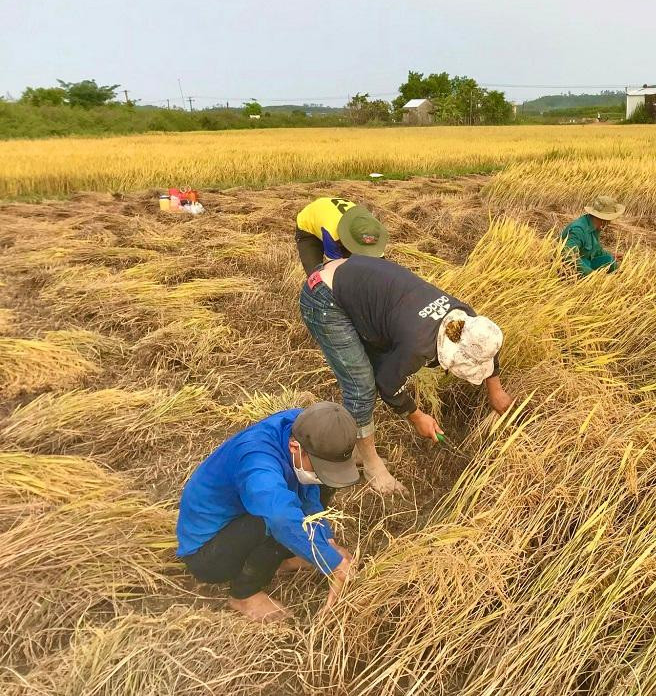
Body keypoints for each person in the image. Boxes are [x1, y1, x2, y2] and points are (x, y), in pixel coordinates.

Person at [299, 256, 513, 496]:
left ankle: (359, 442)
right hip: (325, 295)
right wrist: (417, 416)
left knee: (370, 363)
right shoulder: (418, 346)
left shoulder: (465, 318)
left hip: (353, 275)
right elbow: (388, 385)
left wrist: (496, 389)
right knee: (361, 386)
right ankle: (371, 464)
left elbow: (487, 346)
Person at [176, 402, 359, 623]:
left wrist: (324, 540)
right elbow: (280, 518)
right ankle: (244, 594)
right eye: (318, 466)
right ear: (294, 447)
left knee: (320, 483)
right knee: (278, 522)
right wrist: (332, 562)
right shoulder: (257, 463)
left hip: (246, 516)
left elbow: (309, 493)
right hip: (209, 553)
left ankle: (285, 558)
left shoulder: (304, 427)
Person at [295, 196, 389, 273]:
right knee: (316, 275)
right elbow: (335, 268)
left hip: (331, 214)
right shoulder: (332, 234)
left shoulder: (371, 227)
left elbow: (380, 260)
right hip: (308, 227)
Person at [560, 195, 625, 276]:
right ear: (604, 220)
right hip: (572, 269)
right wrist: (592, 275)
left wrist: (610, 255)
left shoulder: (595, 227)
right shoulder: (578, 230)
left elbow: (596, 250)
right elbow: (569, 256)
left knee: (610, 260)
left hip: (587, 262)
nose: (610, 222)